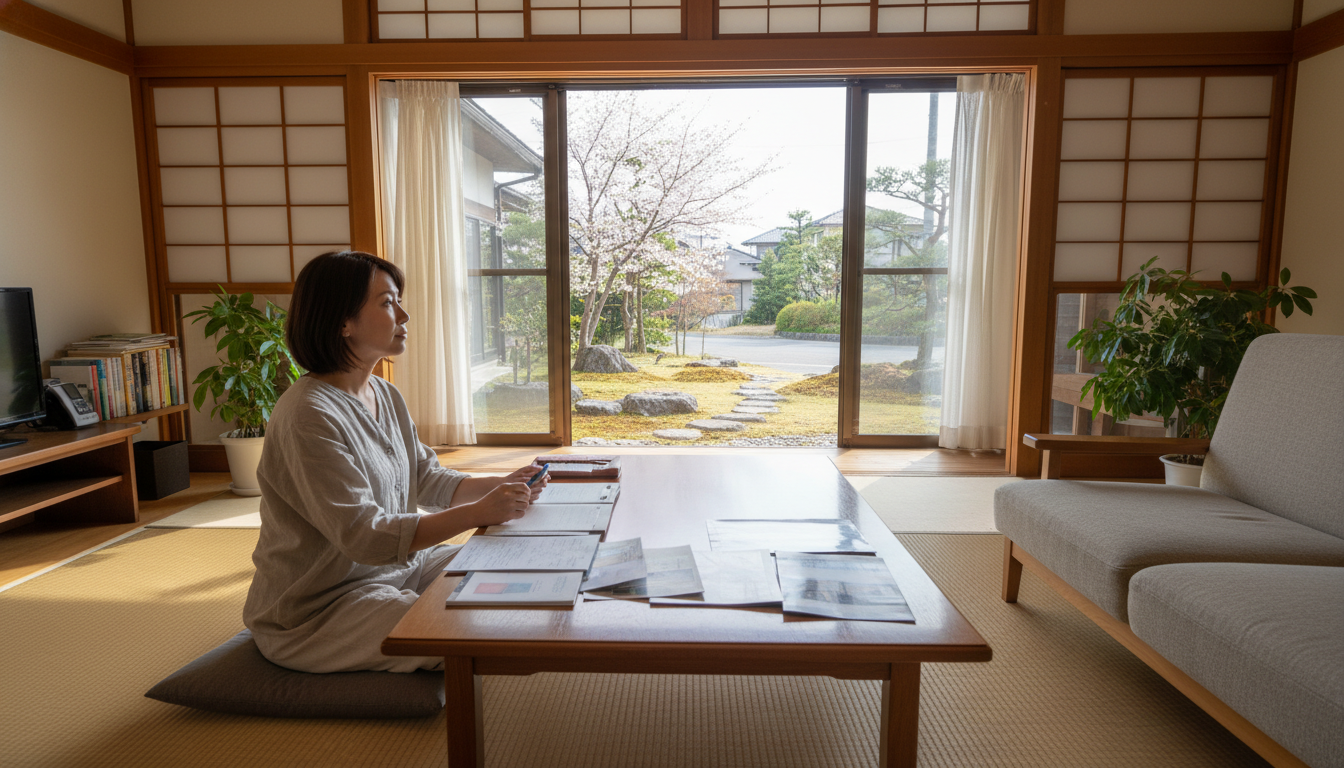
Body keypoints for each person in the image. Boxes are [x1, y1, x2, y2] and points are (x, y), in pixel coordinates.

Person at [243, 250, 547, 673]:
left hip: (398, 571)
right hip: (322, 609)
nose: (403, 315)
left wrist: (503, 484)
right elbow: (364, 537)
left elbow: (427, 477)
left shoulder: (384, 394)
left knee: (517, 565)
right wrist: (476, 513)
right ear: (342, 321)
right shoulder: (307, 415)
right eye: (387, 303)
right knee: (479, 625)